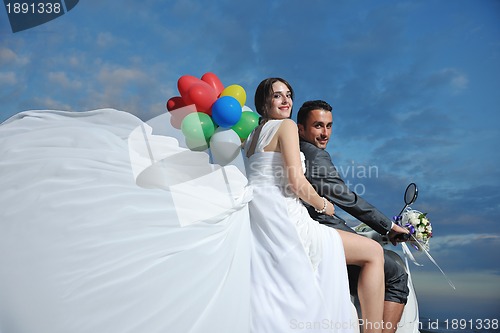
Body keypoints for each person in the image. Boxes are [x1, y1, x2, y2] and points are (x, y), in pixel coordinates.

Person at [244, 78, 386, 333]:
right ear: (263, 102)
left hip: (265, 226)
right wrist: (324, 206)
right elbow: (296, 182)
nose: (286, 100)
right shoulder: (285, 126)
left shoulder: (251, 138)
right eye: (277, 96)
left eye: (288, 94)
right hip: (290, 223)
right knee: (373, 253)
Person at [297, 100, 410, 333]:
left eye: (329, 126)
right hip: (323, 231)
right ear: (300, 128)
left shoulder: (292, 150)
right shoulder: (315, 156)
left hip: (314, 227)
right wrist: (388, 226)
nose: (325, 133)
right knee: (397, 273)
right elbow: (346, 198)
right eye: (318, 126)